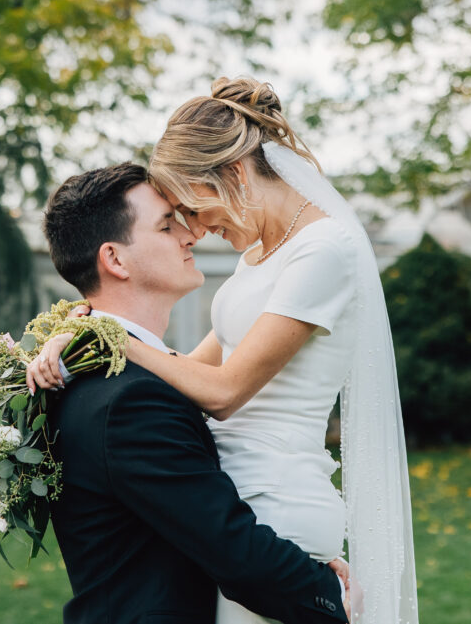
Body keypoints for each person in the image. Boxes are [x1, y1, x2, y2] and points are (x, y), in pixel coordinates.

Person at [30, 78, 418, 624]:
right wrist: (81, 343)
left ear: (233, 175)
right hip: (239, 500)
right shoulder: (261, 253)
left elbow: (226, 391)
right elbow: (187, 371)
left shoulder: (326, 249)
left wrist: (114, 337)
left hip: (276, 493)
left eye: (191, 207)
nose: (197, 230)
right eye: (177, 220)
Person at [37, 162, 351, 624]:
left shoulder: (108, 376)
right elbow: (230, 548)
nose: (191, 235)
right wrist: (328, 593)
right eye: (167, 225)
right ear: (115, 260)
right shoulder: (129, 401)